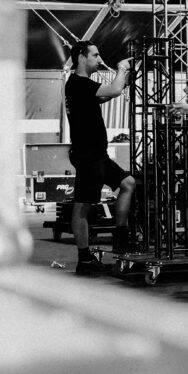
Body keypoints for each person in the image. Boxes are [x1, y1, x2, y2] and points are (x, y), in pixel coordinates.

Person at [64, 42, 135, 276]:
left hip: (98, 154)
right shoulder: (77, 83)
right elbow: (113, 90)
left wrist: (123, 80)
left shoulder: (84, 87)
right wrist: (121, 70)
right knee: (83, 205)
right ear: (81, 57)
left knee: (128, 183)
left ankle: (120, 237)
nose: (98, 58)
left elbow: (108, 94)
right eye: (95, 55)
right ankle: (84, 258)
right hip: (87, 155)